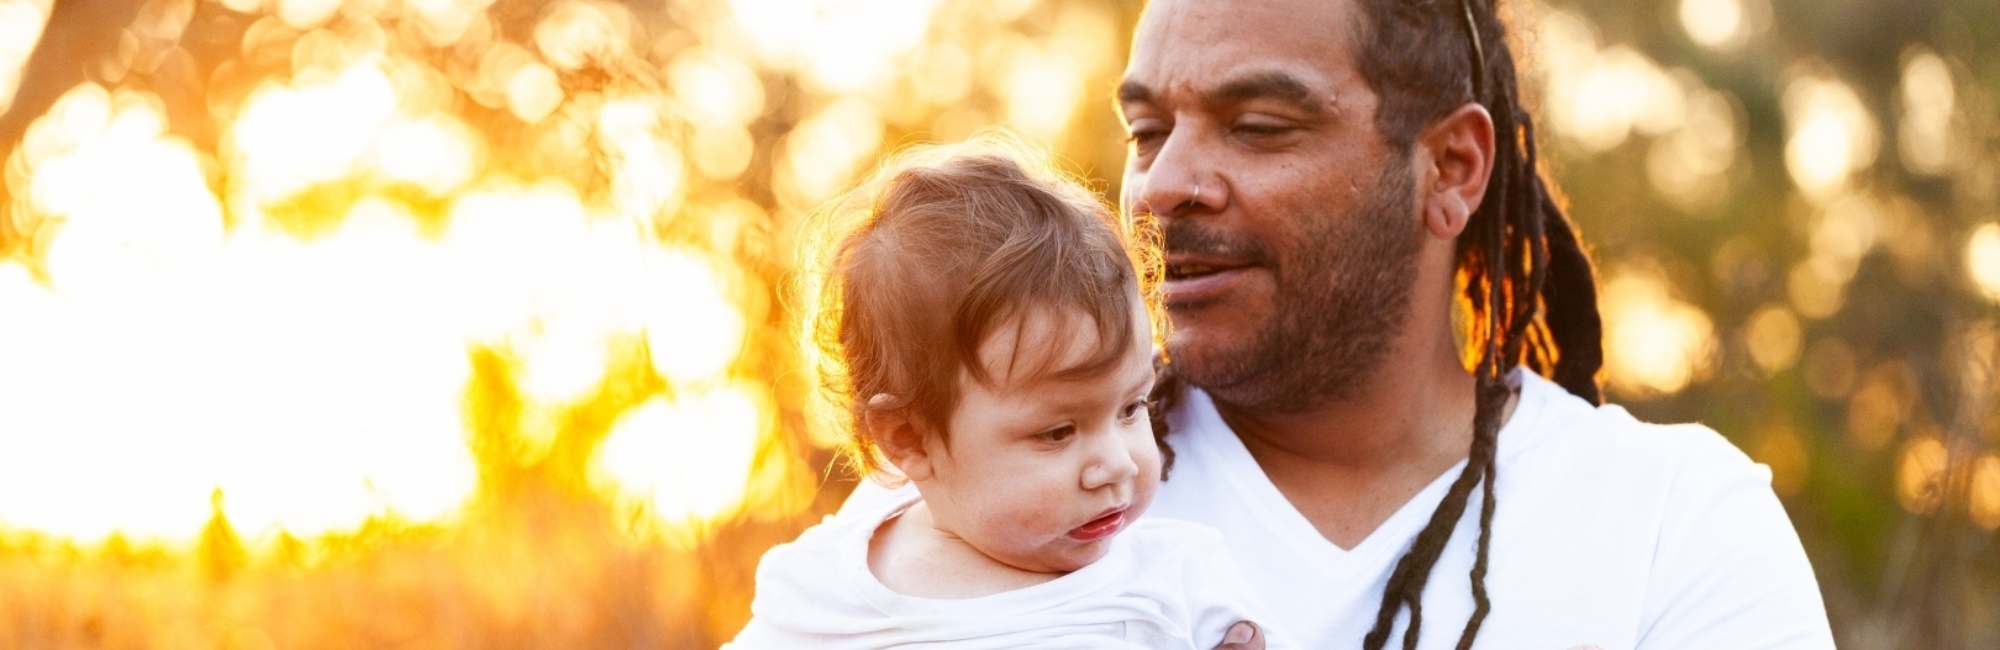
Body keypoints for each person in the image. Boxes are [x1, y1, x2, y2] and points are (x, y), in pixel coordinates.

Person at [1112, 0, 1838, 648]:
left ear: (1452, 168)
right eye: (1146, 133)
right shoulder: (1033, 487)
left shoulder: (1672, 528)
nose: (1164, 185)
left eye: (1257, 127)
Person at [728, 136, 1297, 649]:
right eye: (1057, 431)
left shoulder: (1176, 579)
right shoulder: (820, 590)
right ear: (909, 438)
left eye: (1131, 408)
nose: (1116, 464)